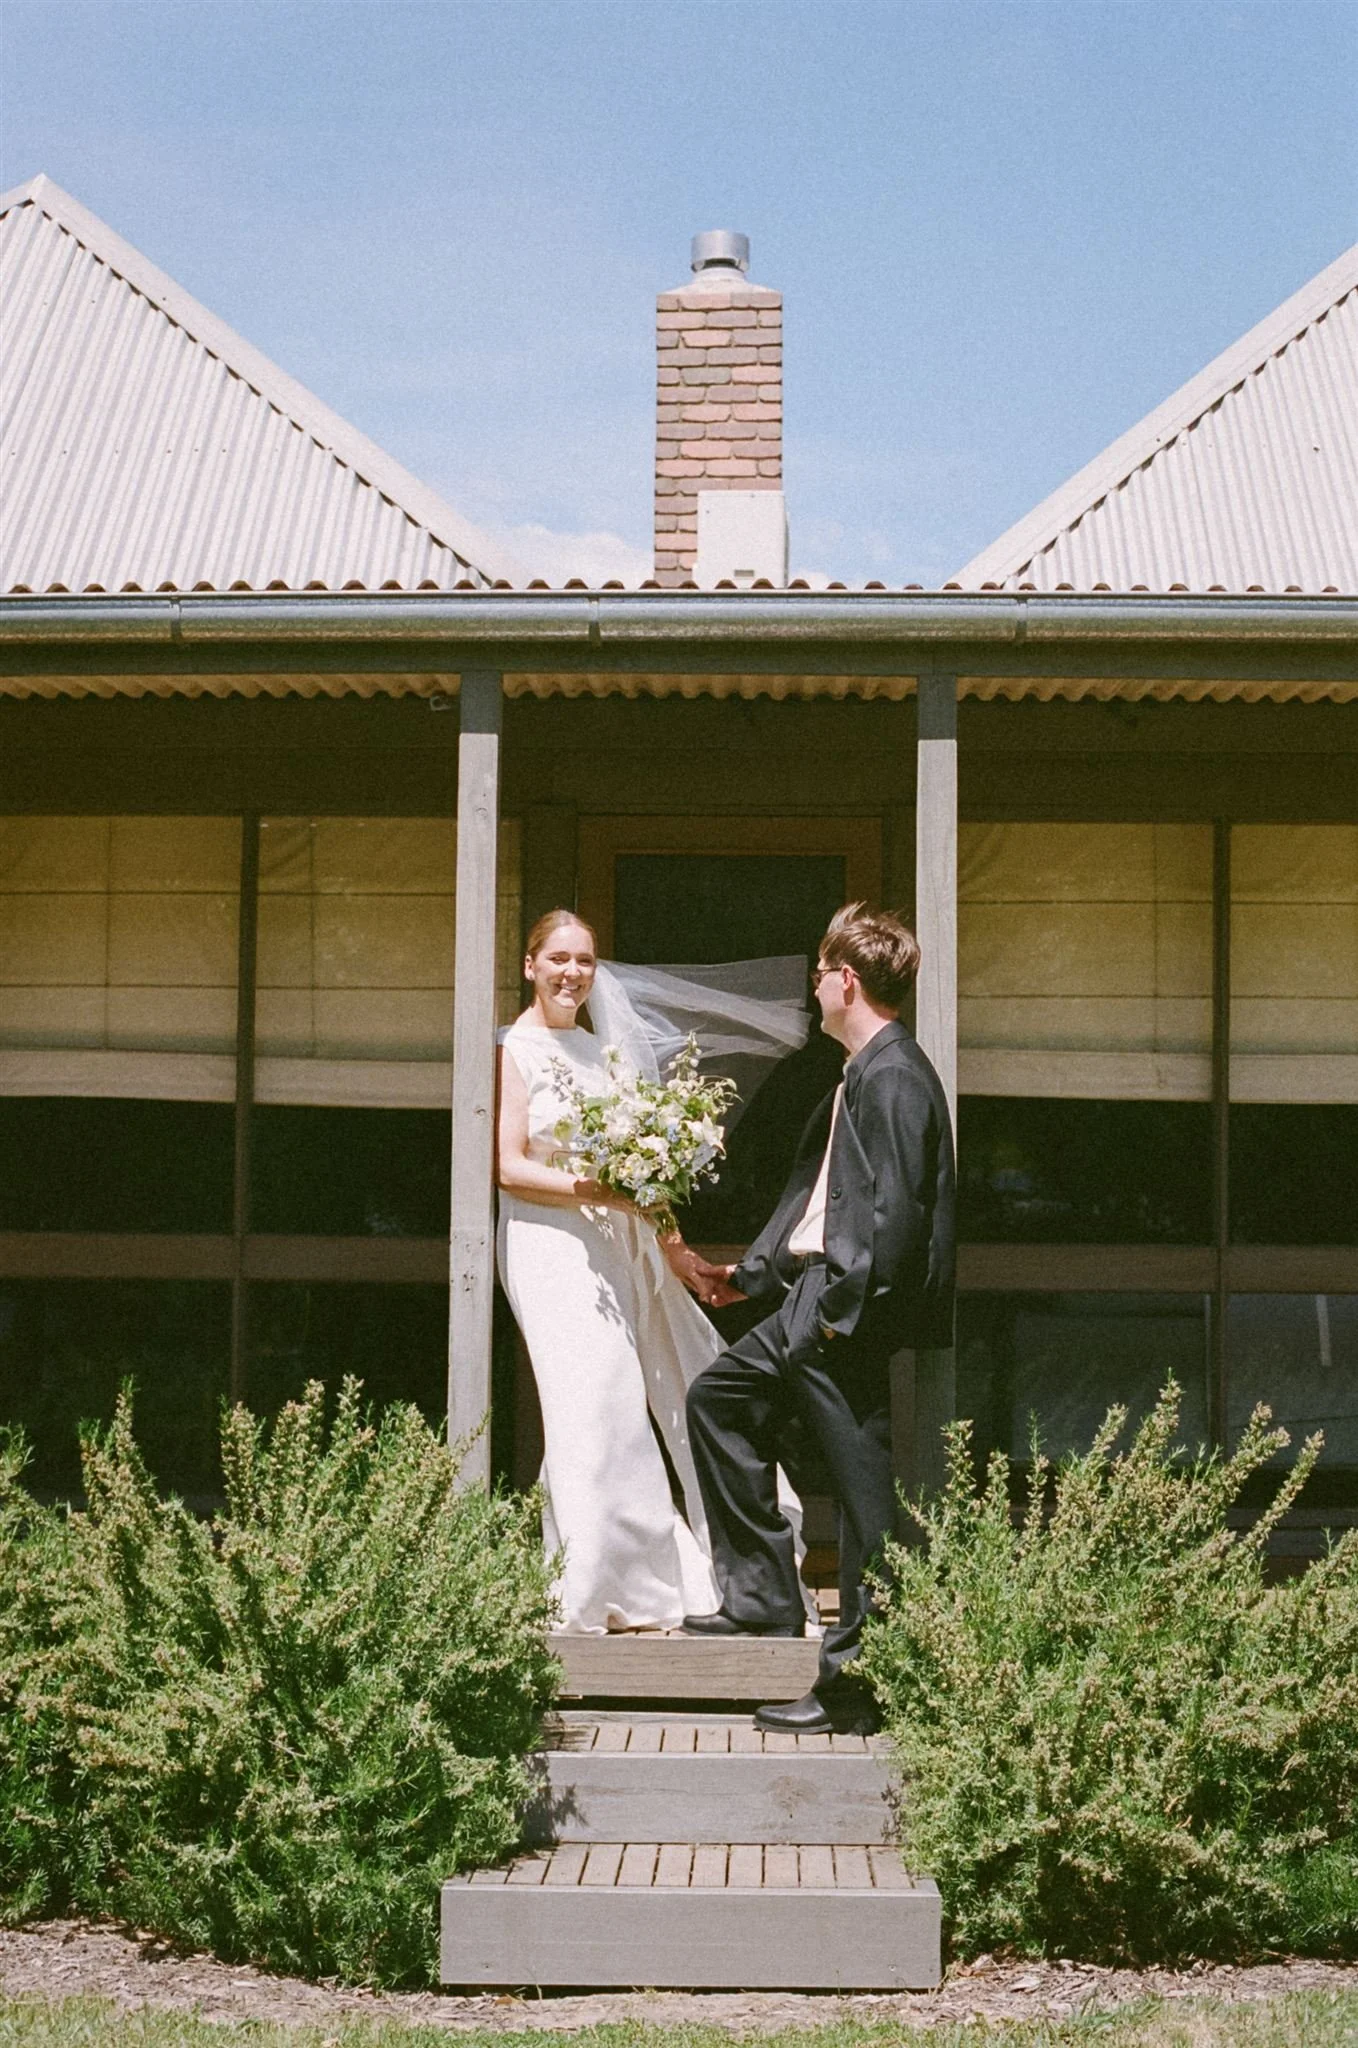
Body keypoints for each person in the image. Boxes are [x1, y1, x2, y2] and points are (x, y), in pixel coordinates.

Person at [682, 903, 956, 1733]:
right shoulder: (860, 1074)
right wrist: (752, 1277)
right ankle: (764, 1596)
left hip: (842, 1315)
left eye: (819, 973)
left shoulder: (898, 1076)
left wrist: (838, 1321)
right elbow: (821, 1197)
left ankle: (855, 1690)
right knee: (717, 1400)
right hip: (808, 1302)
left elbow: (894, 1220)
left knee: (865, 1505)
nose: (812, 987)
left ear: (847, 979)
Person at [495, 908, 729, 1634]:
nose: (572, 973)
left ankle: (626, 1578)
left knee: (616, 1402)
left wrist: (671, 1243)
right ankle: (587, 1586)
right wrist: (594, 1190)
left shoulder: (606, 1055)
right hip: (547, 1241)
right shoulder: (513, 1049)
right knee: (582, 1398)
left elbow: (645, 1167)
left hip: (610, 1246)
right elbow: (507, 1166)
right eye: (558, 959)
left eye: (585, 961)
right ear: (530, 965)